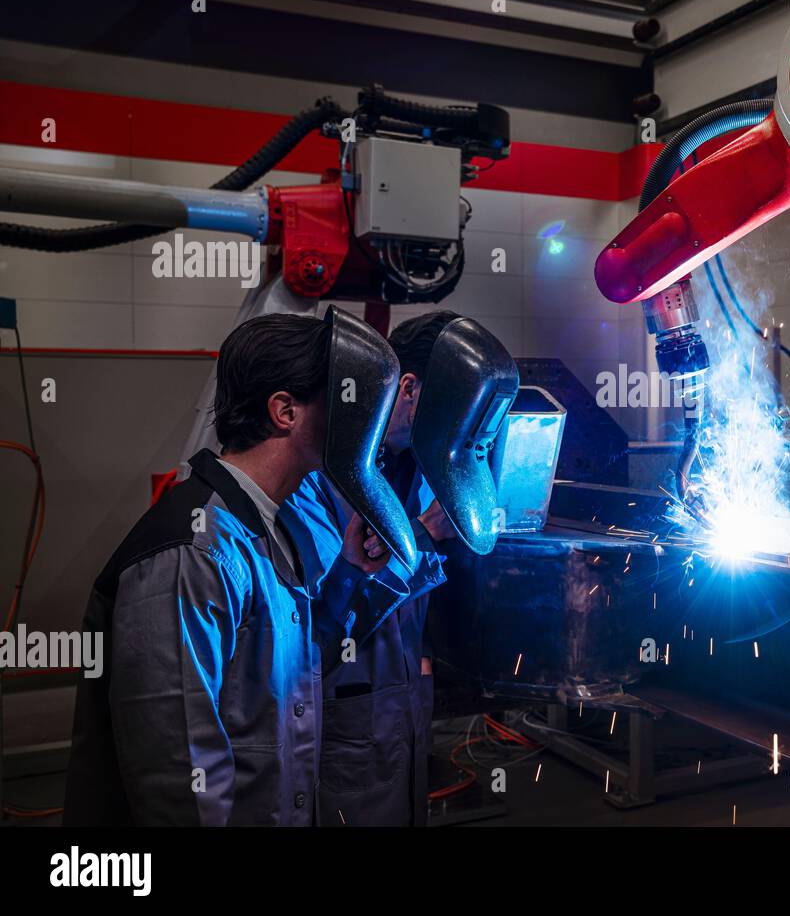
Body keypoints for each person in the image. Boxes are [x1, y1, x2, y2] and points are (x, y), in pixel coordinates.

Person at [63, 312, 405, 825]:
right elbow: (178, 769)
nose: (361, 423)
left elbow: (299, 668)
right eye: (345, 399)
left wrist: (352, 571)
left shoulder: (273, 525)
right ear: (285, 411)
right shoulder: (195, 550)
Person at [304, 310, 517, 826]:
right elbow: (324, 619)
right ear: (408, 388)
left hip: (402, 708)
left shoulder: (421, 464)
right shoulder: (322, 473)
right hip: (341, 712)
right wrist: (422, 535)